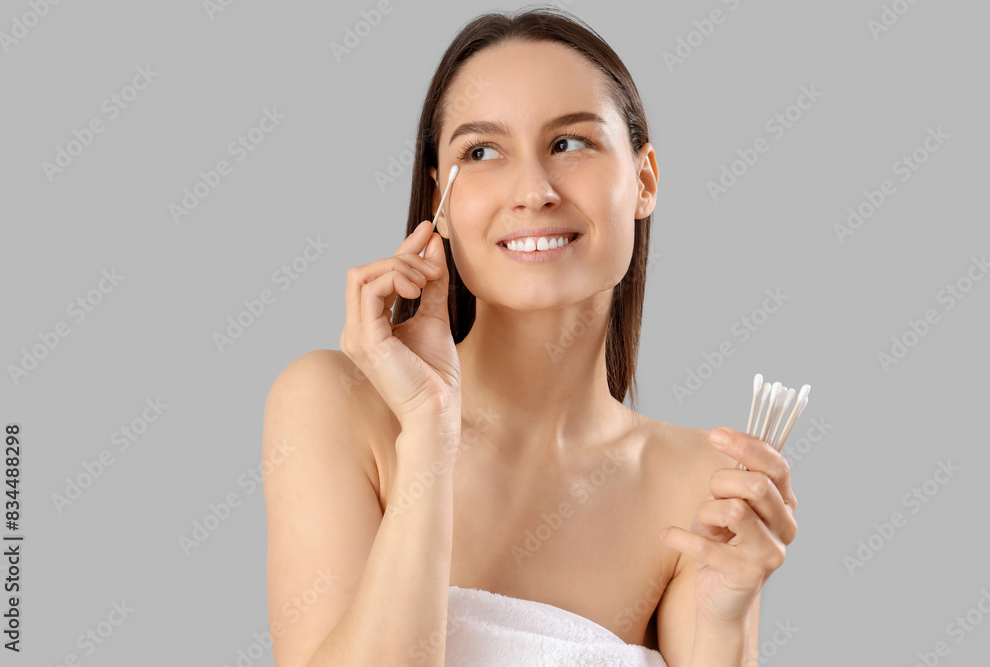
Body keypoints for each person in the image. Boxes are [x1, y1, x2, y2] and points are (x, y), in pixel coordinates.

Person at [262, 7, 798, 666]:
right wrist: (429, 429)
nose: (533, 190)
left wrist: (726, 615)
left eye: (570, 142)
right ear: (443, 204)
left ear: (645, 180)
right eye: (481, 152)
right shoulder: (336, 404)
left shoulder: (702, 485)